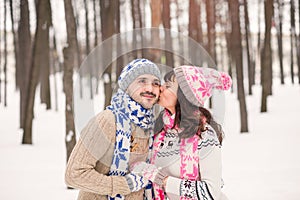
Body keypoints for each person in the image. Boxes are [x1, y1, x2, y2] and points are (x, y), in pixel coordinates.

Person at [65, 58, 161, 200]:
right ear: (127, 86)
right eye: (142, 81)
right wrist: (123, 184)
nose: (150, 88)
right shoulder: (108, 120)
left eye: (155, 83)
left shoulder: (152, 127)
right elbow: (74, 174)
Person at [131, 65, 232, 200]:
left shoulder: (205, 135)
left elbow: (210, 192)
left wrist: (163, 180)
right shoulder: (161, 130)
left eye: (168, 86)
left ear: (183, 96)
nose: (161, 88)